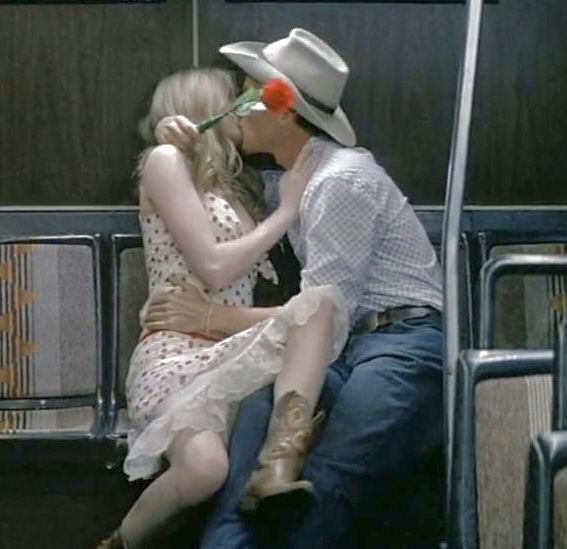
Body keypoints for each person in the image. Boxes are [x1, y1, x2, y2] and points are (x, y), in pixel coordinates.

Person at [150, 28, 445, 549]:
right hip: (339, 350)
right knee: (249, 450)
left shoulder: (340, 181)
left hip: (402, 343)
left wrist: (210, 319)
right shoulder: (291, 180)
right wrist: (178, 136)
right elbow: (217, 195)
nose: (236, 105)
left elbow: (322, 310)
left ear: (282, 109)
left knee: (327, 480)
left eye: (248, 93)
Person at [97, 67, 350, 549]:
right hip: (176, 351)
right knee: (205, 469)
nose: (247, 103)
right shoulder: (166, 160)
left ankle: (271, 488)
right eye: (235, 95)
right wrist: (286, 215)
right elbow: (213, 268)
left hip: (234, 347)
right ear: (206, 105)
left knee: (320, 314)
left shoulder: (240, 183)